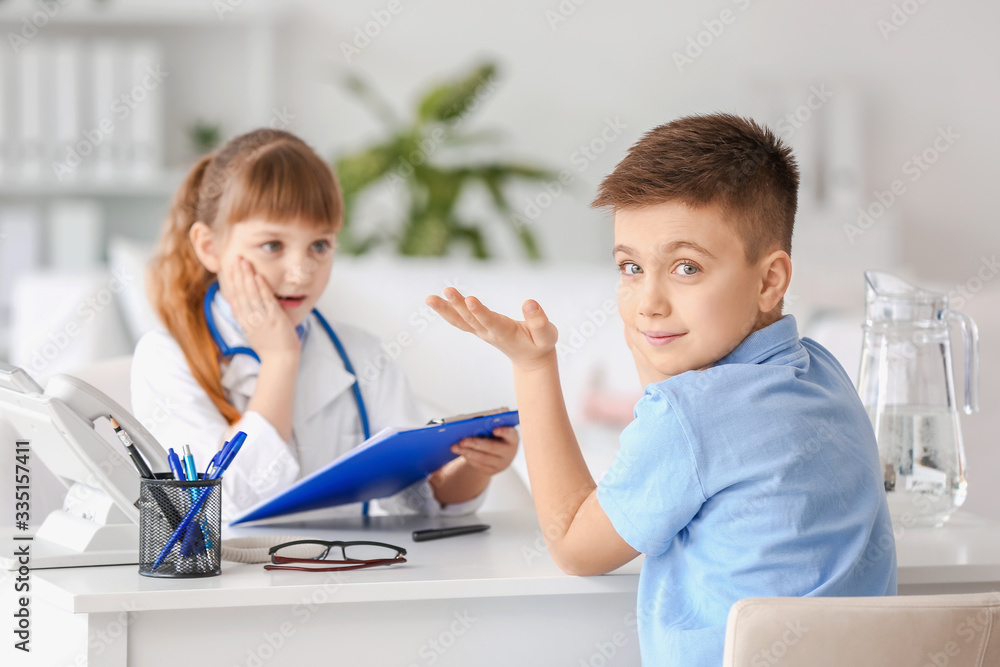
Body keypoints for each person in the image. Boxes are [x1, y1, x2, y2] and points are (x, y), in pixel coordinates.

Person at [427, 114, 896, 666]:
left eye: (686, 268)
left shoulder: (692, 415)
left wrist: (533, 367)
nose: (648, 301)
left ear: (770, 280)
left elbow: (576, 547)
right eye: (630, 266)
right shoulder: (822, 372)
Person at [131, 128, 517, 521]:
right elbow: (219, 507)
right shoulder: (165, 358)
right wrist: (281, 359)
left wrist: (474, 464)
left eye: (320, 245)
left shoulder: (361, 355)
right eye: (273, 246)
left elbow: (418, 502)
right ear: (209, 247)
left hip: (345, 573)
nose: (301, 274)